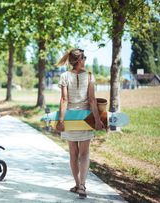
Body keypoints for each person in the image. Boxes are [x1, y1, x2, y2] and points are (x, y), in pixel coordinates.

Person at [55, 49, 104, 198]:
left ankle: (77, 184)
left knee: (73, 153)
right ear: (80, 60)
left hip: (70, 118)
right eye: (84, 57)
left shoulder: (64, 76)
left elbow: (64, 100)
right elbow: (92, 100)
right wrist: (97, 120)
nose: (85, 60)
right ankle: (82, 186)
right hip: (85, 118)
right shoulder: (89, 76)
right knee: (84, 153)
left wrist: (61, 120)